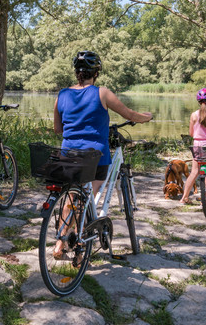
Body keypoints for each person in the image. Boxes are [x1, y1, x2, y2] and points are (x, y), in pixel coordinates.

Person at [51, 50, 153, 258]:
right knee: (87, 198)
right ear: (96, 73)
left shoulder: (62, 95)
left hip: (68, 155)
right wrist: (146, 117)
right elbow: (129, 114)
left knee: (72, 196)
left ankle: (59, 243)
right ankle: (80, 247)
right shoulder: (102, 93)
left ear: (76, 72)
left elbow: (57, 129)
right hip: (95, 156)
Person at [179, 87, 206, 204]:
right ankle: (204, 199)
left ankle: (184, 198)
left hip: (197, 145)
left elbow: (191, 134)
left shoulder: (193, 115)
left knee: (194, 172)